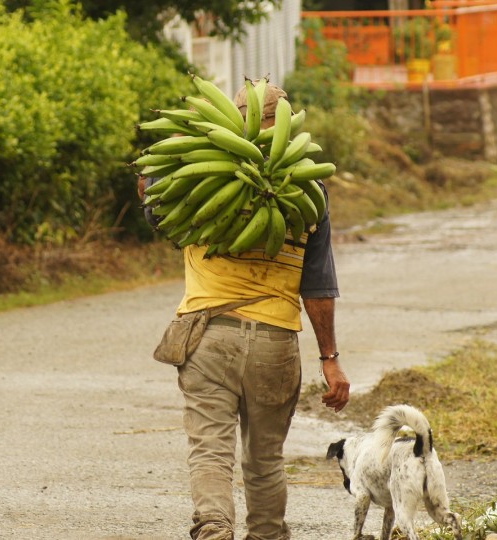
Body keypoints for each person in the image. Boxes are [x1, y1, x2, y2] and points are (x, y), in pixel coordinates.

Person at [139, 82, 349, 540]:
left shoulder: (196, 173)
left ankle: (214, 527)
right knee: (265, 458)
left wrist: (158, 167)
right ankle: (267, 534)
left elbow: (155, 206)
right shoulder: (308, 189)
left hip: (208, 334)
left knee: (210, 449)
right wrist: (329, 359)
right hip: (275, 342)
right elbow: (317, 285)